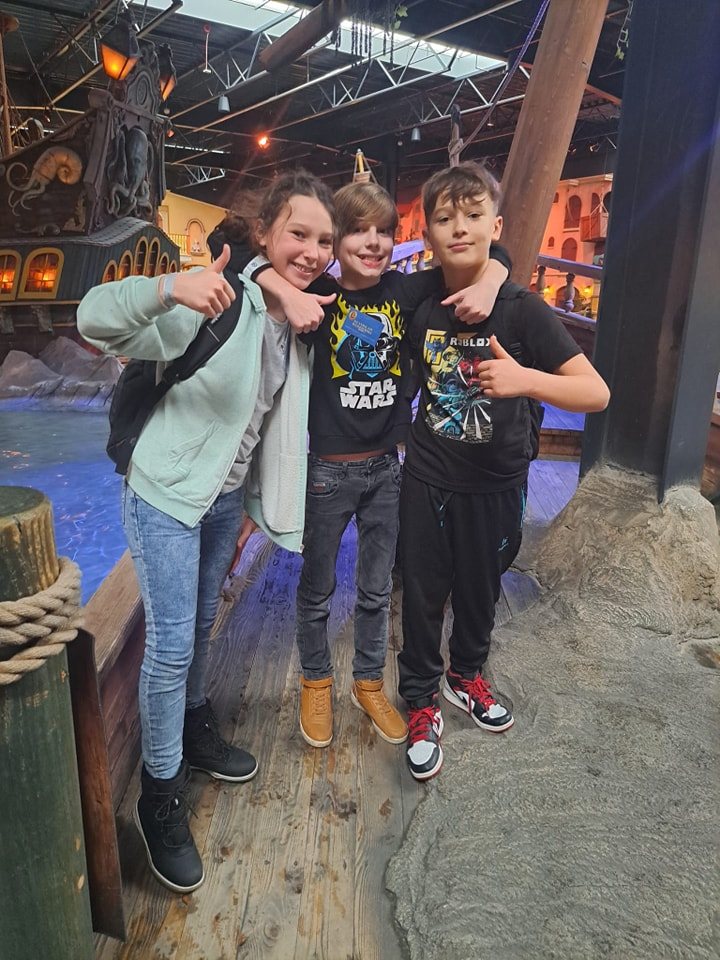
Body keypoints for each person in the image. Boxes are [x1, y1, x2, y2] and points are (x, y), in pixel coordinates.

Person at [76, 171, 336, 893]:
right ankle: (159, 796)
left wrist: (253, 503)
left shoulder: (302, 319)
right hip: (163, 493)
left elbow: (260, 424)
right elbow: (92, 318)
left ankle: (192, 727)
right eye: (298, 234)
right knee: (168, 646)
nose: (312, 251)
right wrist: (169, 288)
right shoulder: (217, 300)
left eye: (324, 240)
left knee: (197, 628)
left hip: (222, 503)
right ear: (266, 233)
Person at [243, 181, 511, 750]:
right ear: (334, 240)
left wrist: (490, 282)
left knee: (375, 589)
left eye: (384, 231)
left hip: (387, 470)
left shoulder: (405, 291)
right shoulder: (317, 294)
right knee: (317, 589)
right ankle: (316, 682)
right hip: (326, 471)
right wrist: (282, 288)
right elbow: (250, 264)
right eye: (357, 231)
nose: (372, 242)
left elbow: (495, 256)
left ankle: (368, 683)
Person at [399, 162, 610, 781]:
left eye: (473, 215)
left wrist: (524, 379)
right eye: (444, 218)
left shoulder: (522, 311)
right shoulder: (420, 302)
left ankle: (466, 674)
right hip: (428, 477)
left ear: (495, 227)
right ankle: (420, 698)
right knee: (422, 592)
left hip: (496, 483)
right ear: (429, 233)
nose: (458, 228)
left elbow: (595, 392)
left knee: (482, 588)